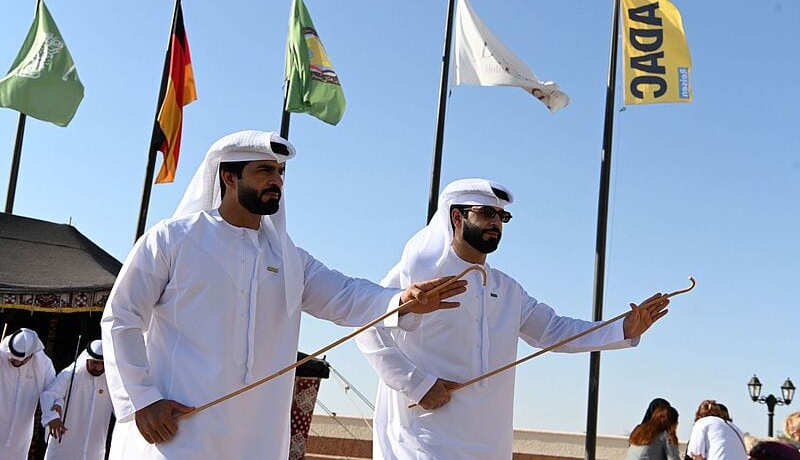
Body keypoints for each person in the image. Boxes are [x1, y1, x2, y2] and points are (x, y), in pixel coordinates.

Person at [101, 130, 467, 460]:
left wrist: (400, 301)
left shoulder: (290, 260)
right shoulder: (172, 239)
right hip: (179, 434)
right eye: (264, 171)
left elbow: (346, 294)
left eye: (279, 173)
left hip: (257, 440)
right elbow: (122, 316)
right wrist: (142, 400)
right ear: (229, 177)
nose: (276, 181)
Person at [356, 178, 670, 459]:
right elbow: (366, 326)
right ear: (456, 216)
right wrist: (417, 385)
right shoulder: (416, 274)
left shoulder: (507, 290)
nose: (496, 222)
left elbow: (554, 330)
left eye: (502, 217)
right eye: (486, 213)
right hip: (421, 441)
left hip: (489, 445)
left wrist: (623, 329)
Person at [40, 339, 113, 460]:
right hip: (65, 443)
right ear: (87, 359)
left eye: (102, 363)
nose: (99, 367)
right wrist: (52, 417)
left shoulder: (110, 380)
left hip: (94, 447)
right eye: (95, 362)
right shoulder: (70, 375)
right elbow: (50, 394)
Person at [0, 328, 56, 459]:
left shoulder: (43, 365)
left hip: (20, 432)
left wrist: (51, 416)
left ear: (31, 355)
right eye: (12, 358)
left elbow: (51, 393)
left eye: (20, 360)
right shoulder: (2, 354)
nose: (15, 362)